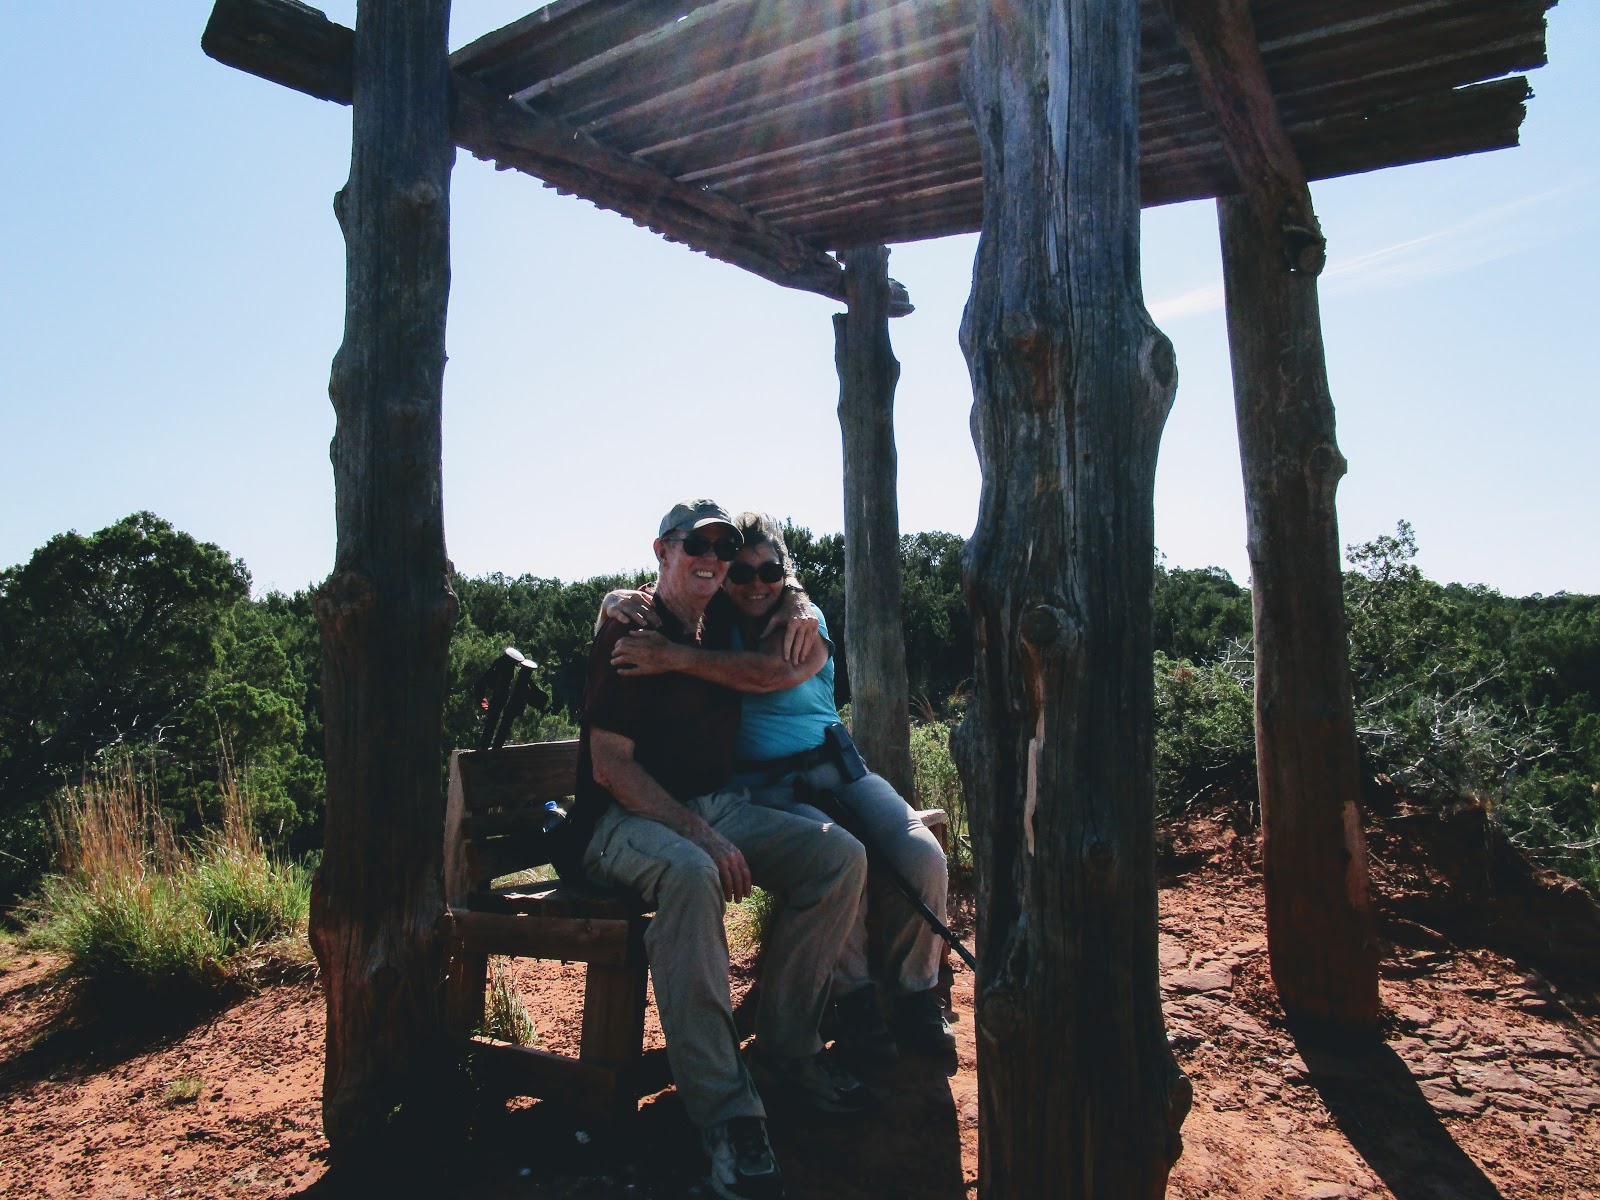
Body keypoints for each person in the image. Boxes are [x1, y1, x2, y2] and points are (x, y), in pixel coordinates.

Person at [569, 499, 869, 1200]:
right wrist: (699, 833)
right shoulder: (630, 623)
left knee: (839, 858)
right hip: (622, 820)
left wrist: (799, 605)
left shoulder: (719, 624)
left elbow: (782, 604)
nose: (712, 556)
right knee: (693, 874)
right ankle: (727, 1114)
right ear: (661, 550)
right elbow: (611, 766)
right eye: (694, 543)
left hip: (716, 806)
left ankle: (789, 1046)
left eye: (723, 545)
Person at [604, 512, 954, 1067]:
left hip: (840, 770)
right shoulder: (713, 621)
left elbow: (769, 675)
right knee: (843, 860)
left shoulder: (803, 617)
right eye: (740, 574)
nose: (756, 583)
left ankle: (915, 995)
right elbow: (661, 595)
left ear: (786, 572)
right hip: (759, 786)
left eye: (770, 571)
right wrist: (613, 597)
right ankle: (854, 999)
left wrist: (674, 658)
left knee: (920, 854)